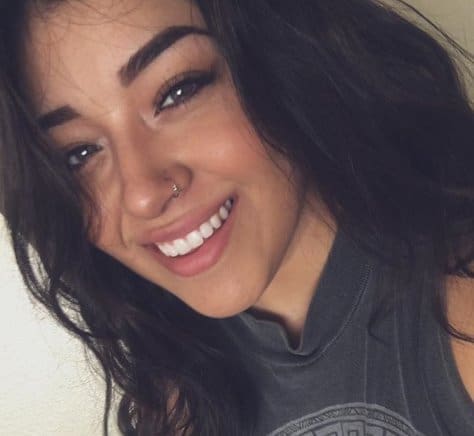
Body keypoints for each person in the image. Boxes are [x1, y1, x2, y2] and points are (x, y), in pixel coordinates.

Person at [0, 0, 473, 434]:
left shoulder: (458, 301)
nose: (142, 195)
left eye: (177, 91)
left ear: (280, 55)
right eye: (79, 153)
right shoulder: (174, 400)